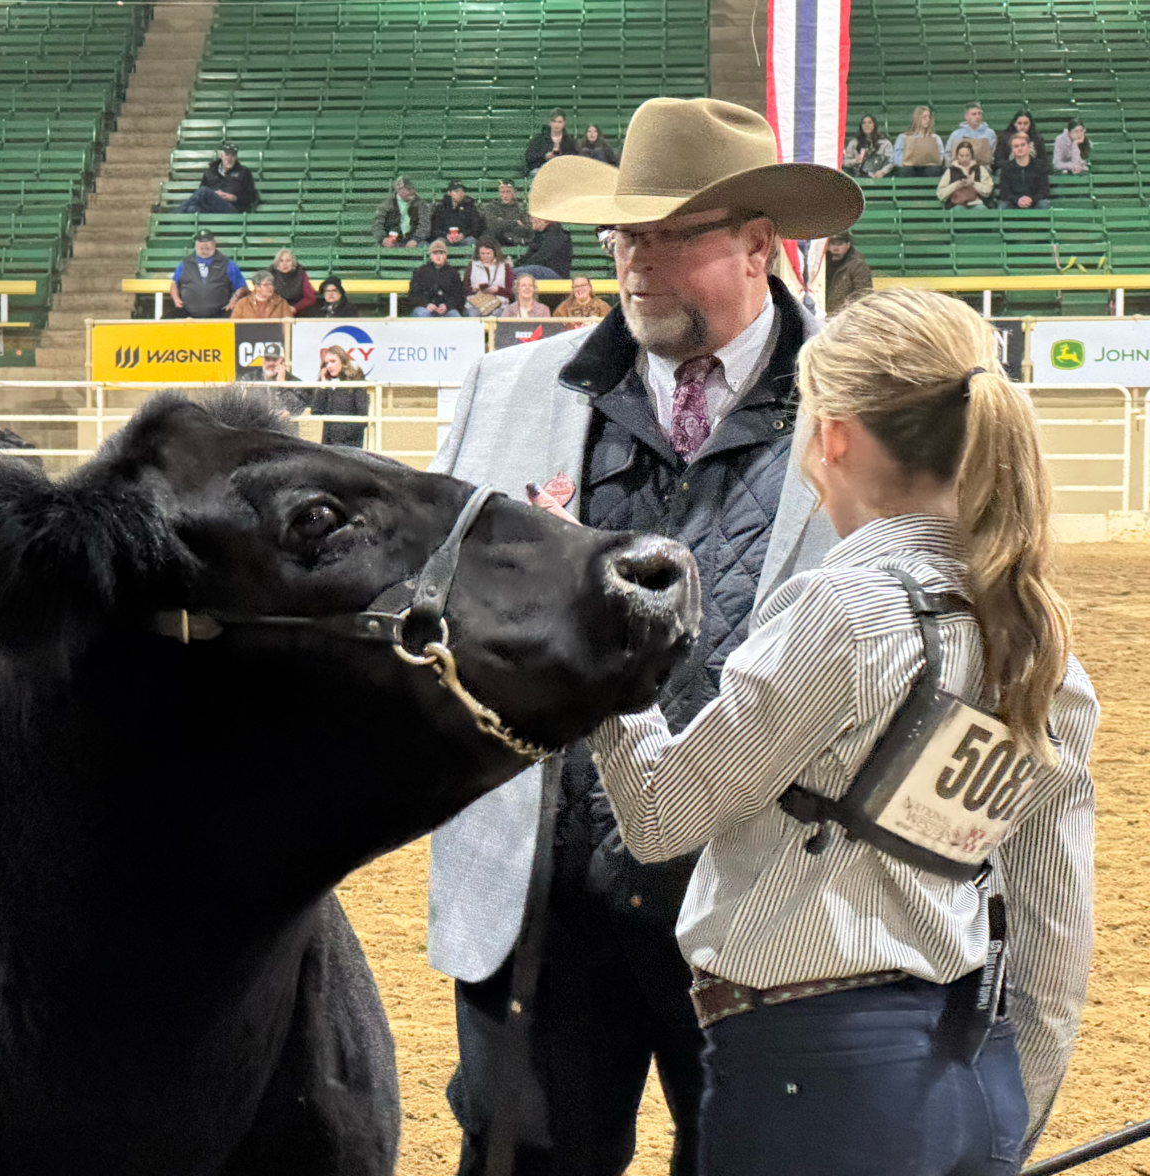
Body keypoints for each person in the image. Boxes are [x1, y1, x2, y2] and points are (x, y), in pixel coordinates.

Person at [428, 95, 862, 1176]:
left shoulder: (870, 406)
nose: (635, 260)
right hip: (538, 901)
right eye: (624, 233)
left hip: (763, 905)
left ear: (760, 245)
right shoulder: (502, 390)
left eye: (675, 234)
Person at [587, 287, 1098, 1174]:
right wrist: (1005, 1119)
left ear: (833, 438)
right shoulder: (1041, 648)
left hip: (804, 1075)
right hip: (968, 1070)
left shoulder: (845, 610)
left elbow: (663, 816)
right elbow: (1054, 928)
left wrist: (612, 659)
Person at [169, 230, 247, 318]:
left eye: (207, 241)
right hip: (188, 314)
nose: (204, 244)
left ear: (214, 243)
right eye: (201, 241)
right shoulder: (185, 263)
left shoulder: (226, 263)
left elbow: (241, 286)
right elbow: (174, 284)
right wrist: (176, 299)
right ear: (196, 244)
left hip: (219, 314)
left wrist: (234, 300)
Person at [177, 141, 261, 214]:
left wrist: (234, 197)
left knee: (204, 191)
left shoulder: (244, 172)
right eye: (227, 154)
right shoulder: (210, 172)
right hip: (211, 208)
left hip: (232, 208)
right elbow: (200, 198)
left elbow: (252, 196)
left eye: (233, 155)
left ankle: (174, 216)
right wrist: (214, 195)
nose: (230, 158)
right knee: (192, 209)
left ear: (236, 157)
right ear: (222, 156)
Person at [314, 345, 368, 448]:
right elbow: (316, 411)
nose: (329, 366)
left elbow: (363, 415)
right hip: (328, 444)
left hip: (349, 444)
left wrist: (345, 437)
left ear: (343, 361)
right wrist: (322, 385)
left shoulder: (356, 380)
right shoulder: (326, 382)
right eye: (326, 363)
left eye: (333, 361)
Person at [408, 240, 468, 317]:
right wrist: (426, 304)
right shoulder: (421, 272)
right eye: (435, 253)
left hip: (446, 309)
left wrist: (447, 306)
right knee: (423, 314)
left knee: (455, 316)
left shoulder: (453, 273)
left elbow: (458, 295)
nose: (438, 256)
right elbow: (413, 294)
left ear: (445, 256)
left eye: (441, 253)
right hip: (424, 307)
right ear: (430, 256)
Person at [371, 177, 431, 248]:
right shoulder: (386, 205)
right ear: (399, 190)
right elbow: (377, 224)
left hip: (414, 240)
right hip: (393, 240)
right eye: (408, 189)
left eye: (412, 189)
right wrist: (383, 239)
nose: (411, 192)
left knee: (425, 246)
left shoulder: (421, 204)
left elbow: (425, 225)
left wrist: (416, 239)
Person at [998, 133, 1051, 210]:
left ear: (1029, 146)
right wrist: (1018, 200)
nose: (1020, 148)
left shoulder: (1040, 165)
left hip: (1035, 202)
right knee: (1003, 206)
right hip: (1014, 203)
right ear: (1012, 149)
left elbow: (1044, 190)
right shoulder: (1007, 168)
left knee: (1044, 204)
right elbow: (1004, 192)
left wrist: (1031, 199)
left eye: (1023, 145)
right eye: (1016, 146)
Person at [825, 231, 874, 314]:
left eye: (839, 244)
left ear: (848, 245)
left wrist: (848, 313)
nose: (835, 248)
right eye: (833, 243)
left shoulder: (858, 265)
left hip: (846, 316)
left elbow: (864, 294)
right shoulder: (822, 263)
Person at [937, 141, 994, 210]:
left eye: (967, 156)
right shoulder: (950, 171)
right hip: (957, 204)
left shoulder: (980, 169)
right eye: (961, 156)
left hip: (977, 203)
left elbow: (988, 190)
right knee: (958, 210)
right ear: (957, 156)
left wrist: (973, 184)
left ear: (971, 156)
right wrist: (955, 185)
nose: (964, 159)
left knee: (981, 209)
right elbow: (940, 194)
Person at [465, 238, 514, 316]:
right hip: (476, 304)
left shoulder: (504, 266)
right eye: (482, 253)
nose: (485, 256)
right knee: (473, 315)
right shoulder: (472, 266)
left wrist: (498, 290)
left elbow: (511, 291)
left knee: (496, 315)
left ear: (495, 253)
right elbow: (465, 288)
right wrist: (474, 289)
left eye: (488, 253)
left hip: (499, 303)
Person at [430, 180, 486, 248]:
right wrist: (446, 235)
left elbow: (477, 227)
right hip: (446, 238)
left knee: (471, 242)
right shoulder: (441, 208)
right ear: (449, 193)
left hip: (465, 238)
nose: (460, 193)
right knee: (438, 243)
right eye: (456, 191)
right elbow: (435, 228)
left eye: (462, 191)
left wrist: (463, 235)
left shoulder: (470, 207)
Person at [514, 214, 573, 279]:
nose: (531, 220)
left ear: (544, 220)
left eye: (533, 218)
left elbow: (541, 258)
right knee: (512, 272)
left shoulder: (556, 236)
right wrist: (514, 266)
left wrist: (521, 268)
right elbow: (528, 255)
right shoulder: (539, 235)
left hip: (556, 273)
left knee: (520, 273)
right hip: (540, 269)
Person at [481, 179, 533, 249]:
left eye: (508, 192)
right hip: (498, 240)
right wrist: (515, 222)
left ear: (514, 192)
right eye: (503, 192)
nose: (505, 195)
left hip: (516, 239)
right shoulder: (491, 207)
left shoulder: (521, 208)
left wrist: (502, 221)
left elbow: (528, 227)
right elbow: (493, 224)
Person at [525, 109, 578, 177]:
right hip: (542, 169)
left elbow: (574, 159)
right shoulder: (539, 139)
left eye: (559, 122)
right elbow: (529, 157)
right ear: (549, 122)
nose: (556, 125)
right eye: (554, 121)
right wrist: (545, 156)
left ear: (564, 123)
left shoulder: (569, 141)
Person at [894, 106, 944, 176]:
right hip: (910, 167)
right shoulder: (904, 137)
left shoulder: (935, 138)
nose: (928, 119)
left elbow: (940, 155)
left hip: (928, 167)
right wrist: (907, 162)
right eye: (924, 117)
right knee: (906, 171)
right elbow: (897, 156)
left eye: (929, 117)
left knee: (933, 170)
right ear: (917, 119)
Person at [944, 102, 997, 167]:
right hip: (959, 167)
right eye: (974, 114)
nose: (977, 116)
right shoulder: (956, 134)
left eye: (979, 114)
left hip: (983, 167)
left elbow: (993, 153)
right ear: (966, 117)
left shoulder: (990, 133)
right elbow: (948, 154)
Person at [842, 114, 894, 179]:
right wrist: (854, 161)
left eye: (870, 122)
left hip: (879, 178)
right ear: (861, 126)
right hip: (857, 177)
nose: (867, 125)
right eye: (864, 123)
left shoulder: (885, 143)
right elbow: (845, 161)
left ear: (874, 125)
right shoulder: (854, 143)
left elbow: (891, 161)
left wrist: (883, 172)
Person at [270, 248, 316, 314]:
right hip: (275, 312)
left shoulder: (301, 274)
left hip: (298, 312)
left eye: (288, 261)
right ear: (277, 264)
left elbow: (310, 298)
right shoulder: (270, 275)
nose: (284, 264)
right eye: (281, 261)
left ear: (293, 263)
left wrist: (295, 308)